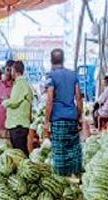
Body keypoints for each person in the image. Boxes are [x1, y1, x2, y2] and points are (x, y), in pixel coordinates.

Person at [44, 49, 83, 177]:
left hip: (58, 119)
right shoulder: (73, 75)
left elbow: (49, 100)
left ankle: (62, 182)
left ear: (51, 60)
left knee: (60, 153)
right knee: (74, 151)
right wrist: (79, 116)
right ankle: (76, 180)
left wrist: (46, 121)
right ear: (63, 59)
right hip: (72, 118)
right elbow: (78, 98)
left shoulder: (51, 76)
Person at [3, 61, 34, 154]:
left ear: (15, 71)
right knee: (19, 151)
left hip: (18, 125)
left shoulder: (20, 84)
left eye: (11, 70)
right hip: (19, 124)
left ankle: (24, 167)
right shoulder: (22, 83)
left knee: (20, 152)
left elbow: (14, 102)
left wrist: (4, 102)